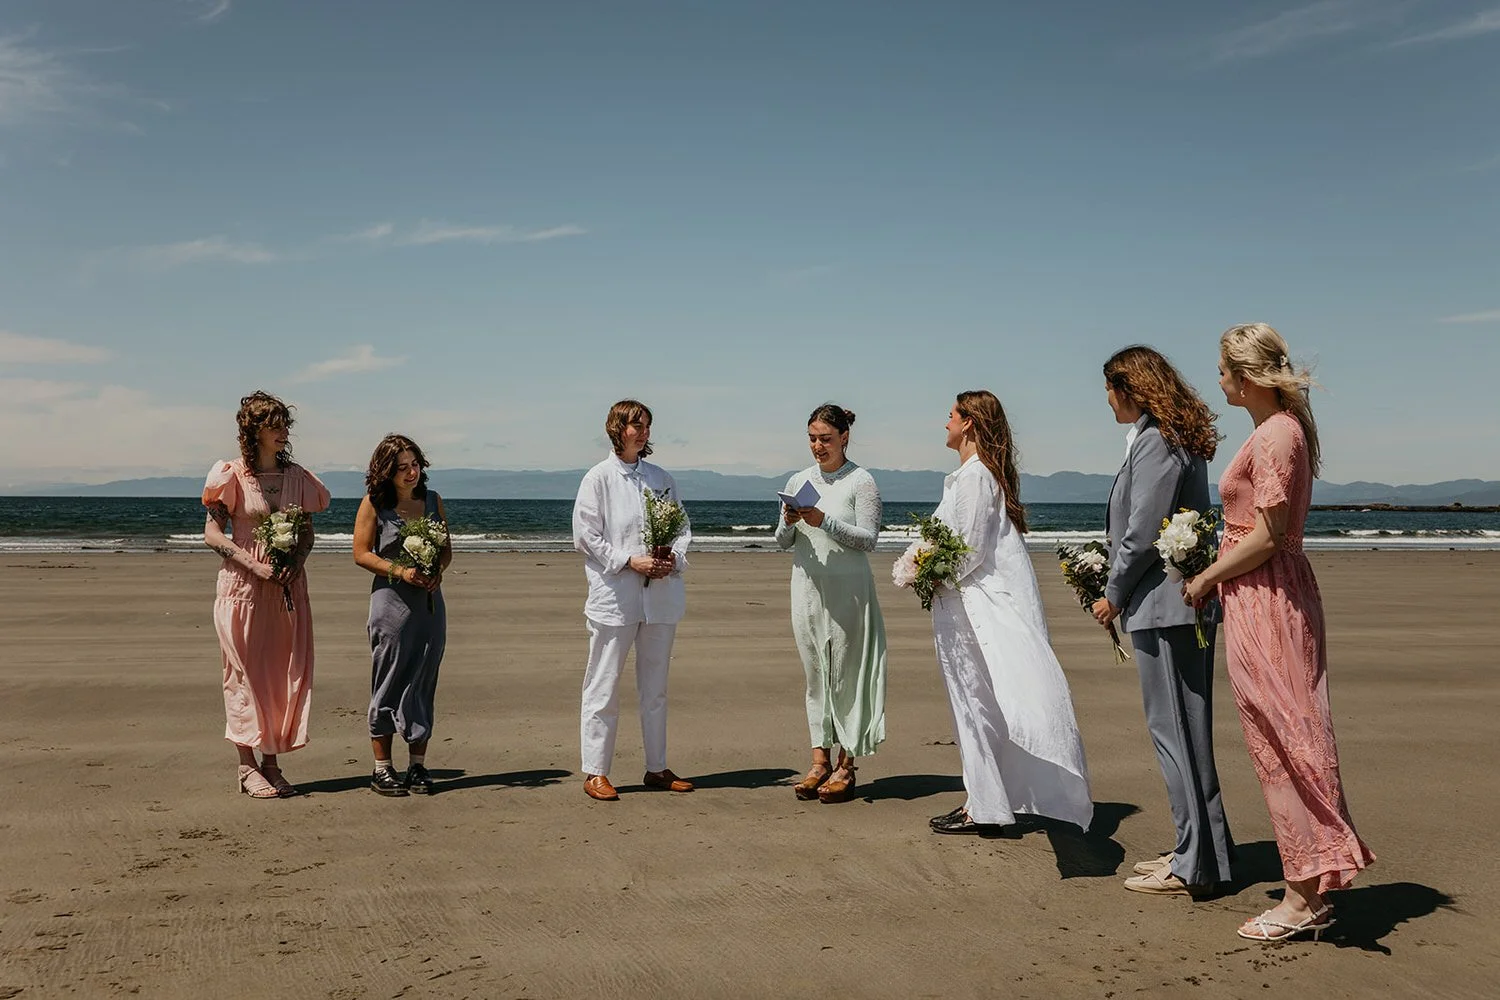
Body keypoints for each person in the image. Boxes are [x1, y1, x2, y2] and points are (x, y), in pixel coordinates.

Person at [1184, 323, 1375, 942]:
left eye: (1221, 370)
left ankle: (1306, 893)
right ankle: (1311, 882)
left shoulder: (1276, 436)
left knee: (1288, 736)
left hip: (1267, 599)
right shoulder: (1278, 431)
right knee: (1278, 736)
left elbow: (1268, 536)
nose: (1216, 381)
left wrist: (1207, 575)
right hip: (1261, 595)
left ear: (1245, 375)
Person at [1092, 346, 1234, 895]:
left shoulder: (1157, 441)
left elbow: (1141, 531)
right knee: (1189, 731)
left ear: (1131, 387)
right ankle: (1202, 852)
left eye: (1109, 389)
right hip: (1179, 604)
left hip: (1164, 605)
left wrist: (1113, 594)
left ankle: (1193, 862)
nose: (1107, 401)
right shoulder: (1174, 438)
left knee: (1173, 731)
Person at [926, 390, 1094, 835]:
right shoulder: (973, 476)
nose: (945, 423)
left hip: (968, 610)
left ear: (969, 424)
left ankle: (984, 807)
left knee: (974, 704)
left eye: (951, 415)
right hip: (961, 604)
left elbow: (967, 550)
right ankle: (983, 799)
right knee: (976, 704)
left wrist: (922, 571)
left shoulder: (976, 477)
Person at [201, 391, 330, 799]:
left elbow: (307, 531)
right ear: (253, 431)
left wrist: (298, 560)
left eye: (285, 425)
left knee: (280, 678)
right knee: (243, 676)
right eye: (274, 425)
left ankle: (272, 764)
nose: (282, 432)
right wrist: (253, 565)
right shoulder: (231, 475)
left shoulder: (298, 478)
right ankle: (246, 765)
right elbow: (211, 533)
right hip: (242, 589)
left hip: (288, 589)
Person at [571, 399, 694, 801]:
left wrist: (672, 559)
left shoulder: (661, 478)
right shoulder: (598, 479)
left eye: (646, 425)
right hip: (615, 598)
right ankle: (595, 771)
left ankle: (656, 767)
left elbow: (681, 527)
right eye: (634, 425)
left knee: (655, 688)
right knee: (603, 685)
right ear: (616, 428)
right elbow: (586, 536)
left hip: (659, 598)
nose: (642, 432)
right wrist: (629, 561)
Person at [775, 404, 888, 803]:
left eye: (825, 438)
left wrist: (825, 521)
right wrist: (789, 522)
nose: (818, 446)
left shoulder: (861, 481)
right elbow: (782, 542)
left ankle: (846, 765)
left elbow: (868, 539)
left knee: (845, 674)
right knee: (815, 676)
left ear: (844, 438)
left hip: (849, 592)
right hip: (806, 588)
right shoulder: (798, 479)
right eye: (812, 438)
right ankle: (818, 761)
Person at [352, 434, 451, 796]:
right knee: (389, 679)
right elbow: (361, 554)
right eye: (402, 467)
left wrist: (436, 571)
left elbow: (446, 552)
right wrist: (401, 571)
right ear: (386, 471)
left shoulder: (433, 502)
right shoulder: (375, 504)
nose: (412, 472)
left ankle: (418, 767)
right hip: (391, 603)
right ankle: (382, 769)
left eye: (415, 464)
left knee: (424, 681)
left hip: (429, 604)